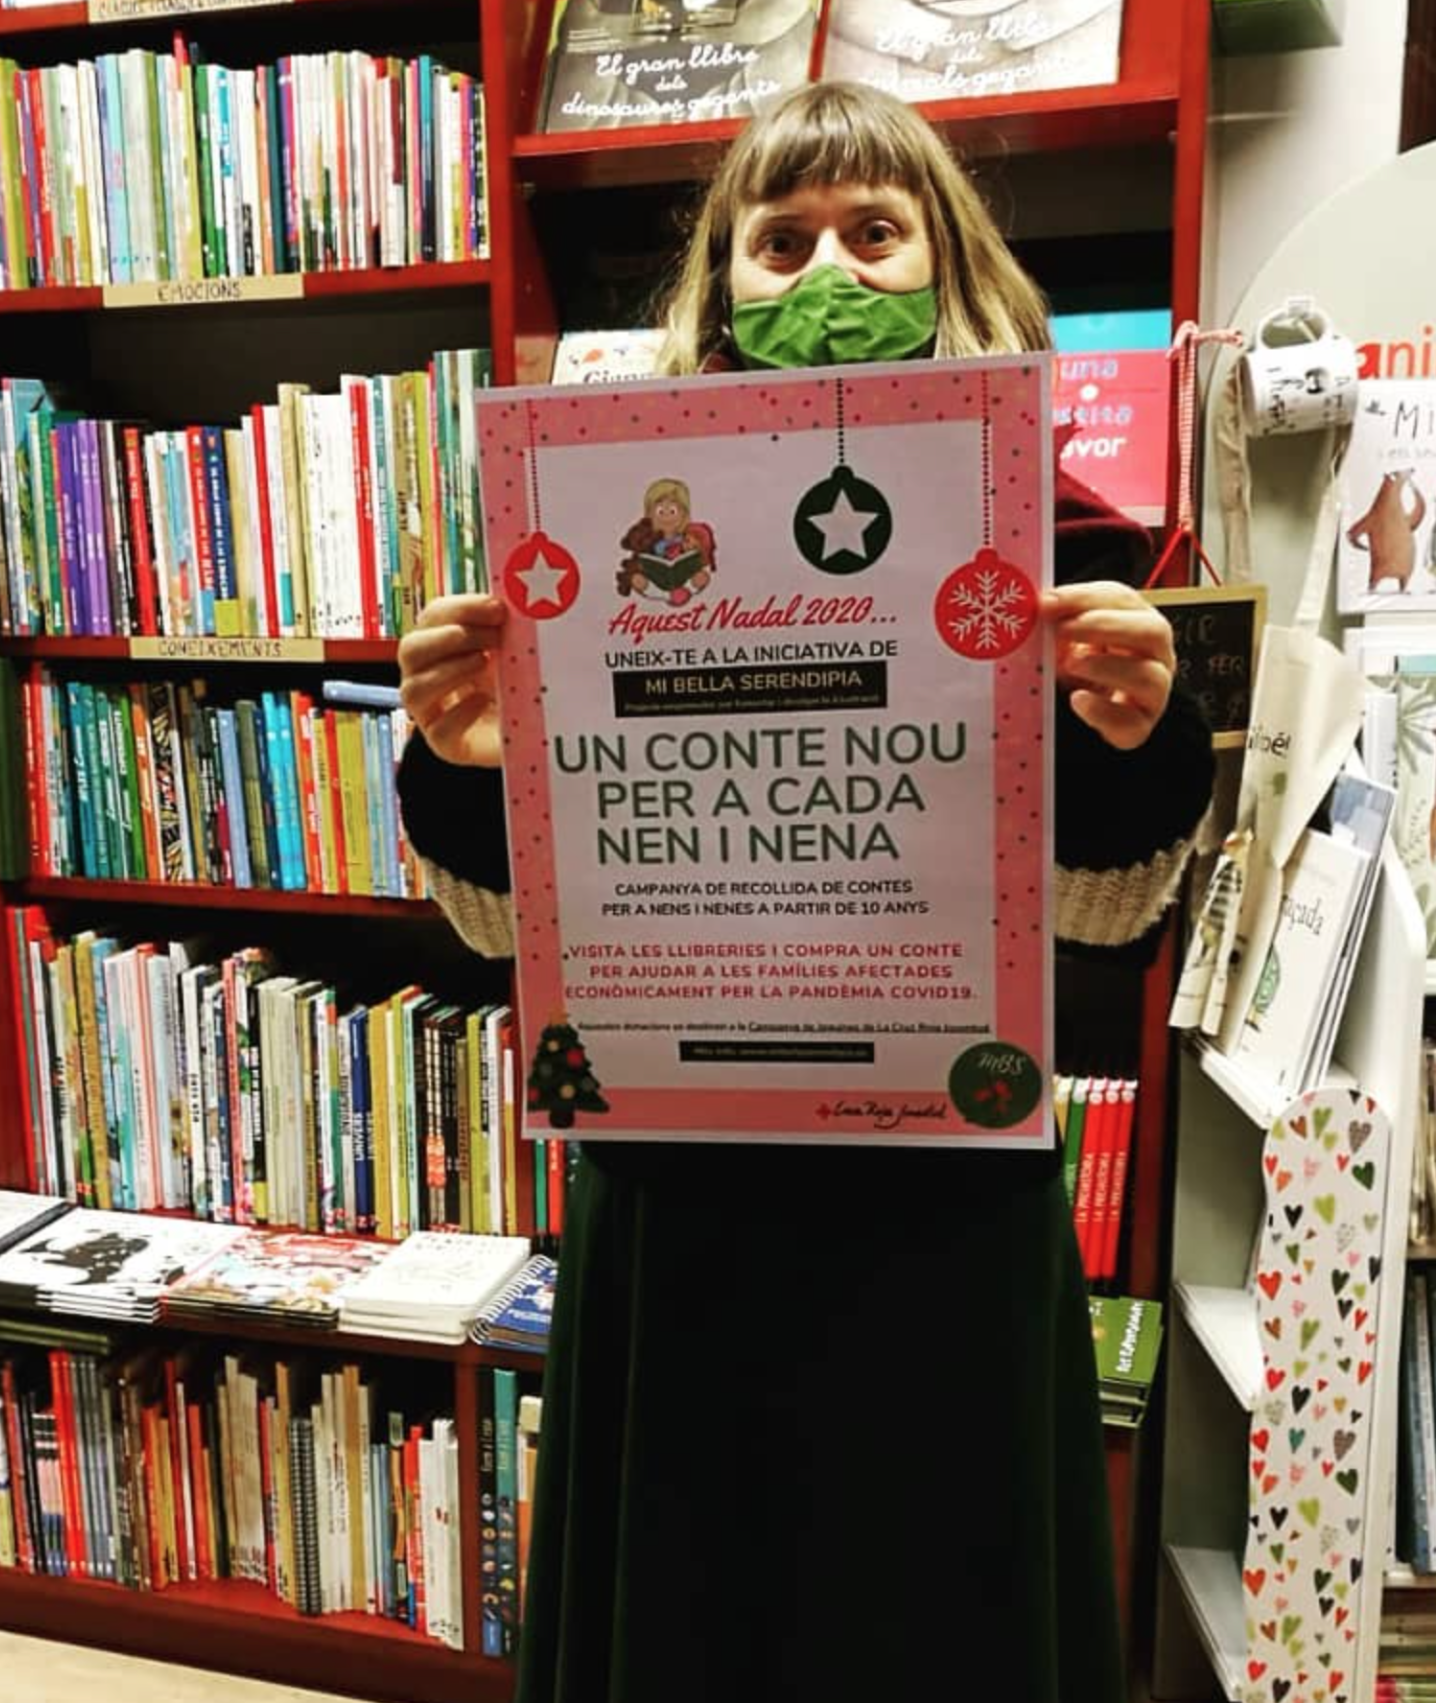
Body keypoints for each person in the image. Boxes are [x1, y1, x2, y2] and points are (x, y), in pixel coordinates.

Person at [395, 81, 1214, 1703]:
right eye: (779, 240)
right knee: (691, 1618)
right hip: (684, 1203)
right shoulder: (590, 532)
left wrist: (1135, 739)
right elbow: (499, 932)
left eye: (872, 230)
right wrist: (466, 762)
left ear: (946, 260)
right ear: (721, 279)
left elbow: (1105, 919)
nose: (826, 268)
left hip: (942, 1209)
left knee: (940, 1624)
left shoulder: (1064, 543)